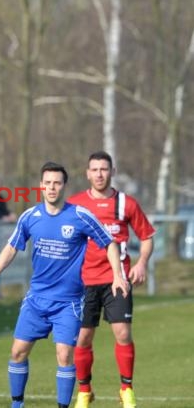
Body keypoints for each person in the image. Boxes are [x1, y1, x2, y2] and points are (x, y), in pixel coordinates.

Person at [0, 161, 129, 408]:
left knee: (64, 355)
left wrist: (118, 275)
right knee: (17, 352)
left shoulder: (80, 215)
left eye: (57, 183)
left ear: (64, 186)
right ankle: (17, 404)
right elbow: (11, 247)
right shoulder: (30, 216)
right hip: (36, 299)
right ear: (41, 186)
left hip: (68, 302)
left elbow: (109, 242)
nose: (51, 187)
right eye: (47, 183)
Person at [68, 151, 155, 408]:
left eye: (104, 169)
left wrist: (141, 263)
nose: (99, 174)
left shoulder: (126, 203)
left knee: (122, 332)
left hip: (118, 280)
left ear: (112, 172)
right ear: (87, 173)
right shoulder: (75, 205)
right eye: (94, 169)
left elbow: (147, 236)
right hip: (84, 281)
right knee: (83, 338)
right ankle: (85, 391)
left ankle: (126, 389)